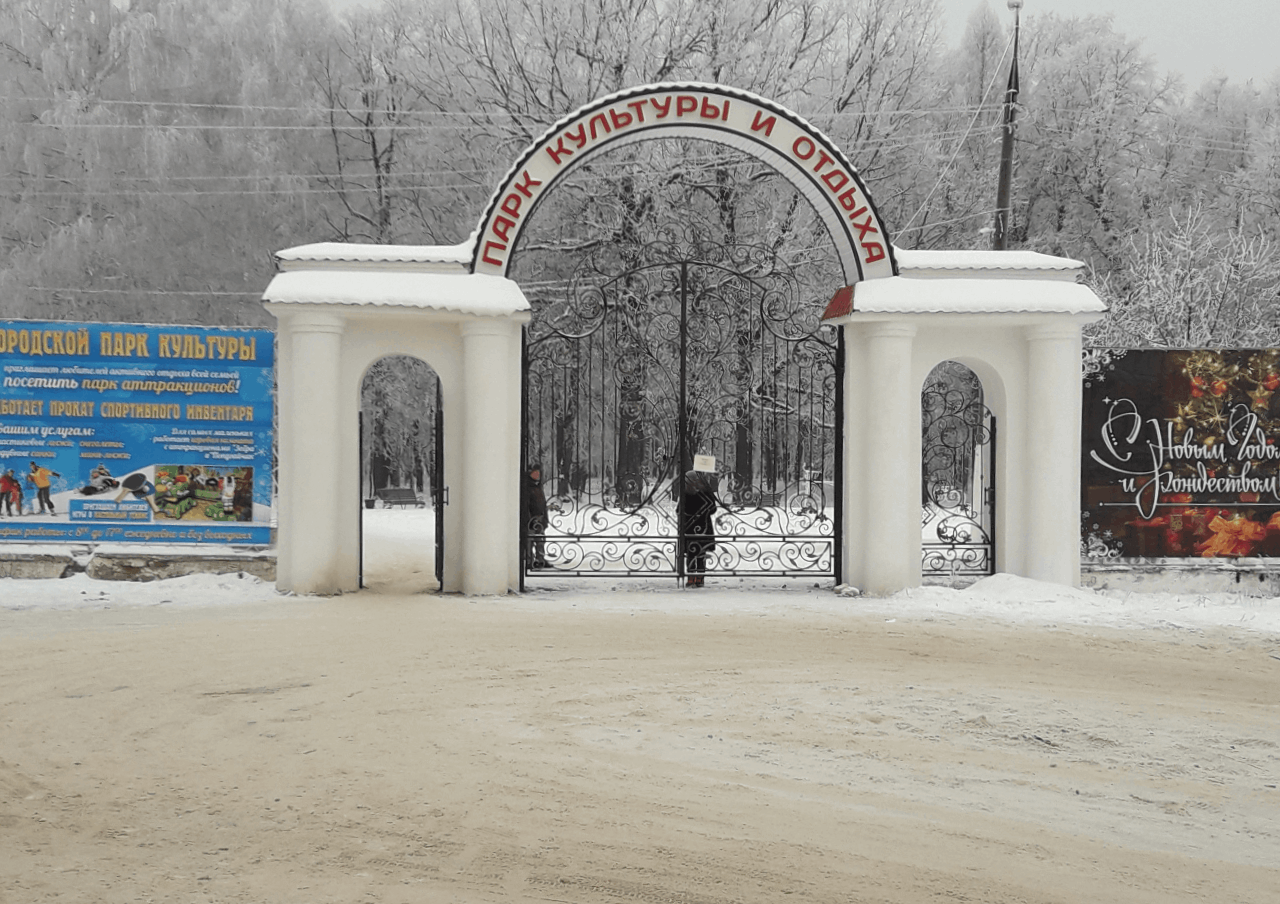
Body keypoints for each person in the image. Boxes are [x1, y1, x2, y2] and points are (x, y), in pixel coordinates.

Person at [681, 468, 720, 587]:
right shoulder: (693, 493)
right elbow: (680, 509)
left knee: (698, 553)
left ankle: (697, 578)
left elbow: (713, 508)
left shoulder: (704, 493)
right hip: (695, 526)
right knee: (693, 553)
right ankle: (694, 577)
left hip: (698, 526)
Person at [522, 463, 549, 569]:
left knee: (540, 539)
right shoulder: (526, 486)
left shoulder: (538, 486)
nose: (537, 474)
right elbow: (525, 504)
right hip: (531, 519)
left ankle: (540, 560)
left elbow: (543, 503)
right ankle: (529, 561)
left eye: (538, 472)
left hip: (540, 518)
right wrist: (528, 519)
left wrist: (545, 518)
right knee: (530, 540)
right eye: (535, 472)